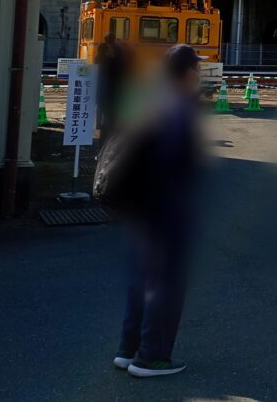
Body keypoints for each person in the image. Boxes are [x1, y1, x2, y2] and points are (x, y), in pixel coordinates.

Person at [115, 44, 203, 378]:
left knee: (141, 278)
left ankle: (128, 349)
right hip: (165, 206)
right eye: (197, 69)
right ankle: (152, 357)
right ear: (188, 72)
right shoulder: (179, 106)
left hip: (139, 206)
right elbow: (176, 163)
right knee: (165, 281)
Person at [95, 32, 128, 146]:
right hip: (113, 93)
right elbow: (122, 69)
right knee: (112, 120)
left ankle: (101, 134)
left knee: (103, 116)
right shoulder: (116, 55)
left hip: (103, 92)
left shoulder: (100, 54)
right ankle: (110, 141)